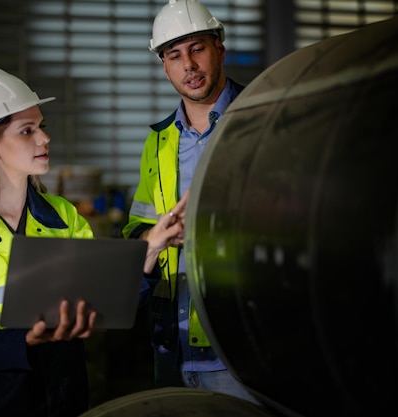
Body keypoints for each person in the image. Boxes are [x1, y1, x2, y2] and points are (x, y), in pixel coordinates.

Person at [0, 68, 187, 417]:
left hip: (59, 393)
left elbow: (107, 298)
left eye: (41, 126)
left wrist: (151, 248)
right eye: (27, 131)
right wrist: (26, 340)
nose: (44, 139)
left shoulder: (63, 216)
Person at [122, 0, 258, 404]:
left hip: (242, 346)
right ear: (164, 66)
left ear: (220, 47)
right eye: (175, 56)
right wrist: (157, 236)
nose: (189, 66)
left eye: (197, 49)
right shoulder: (158, 141)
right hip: (173, 345)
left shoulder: (261, 121)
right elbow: (136, 233)